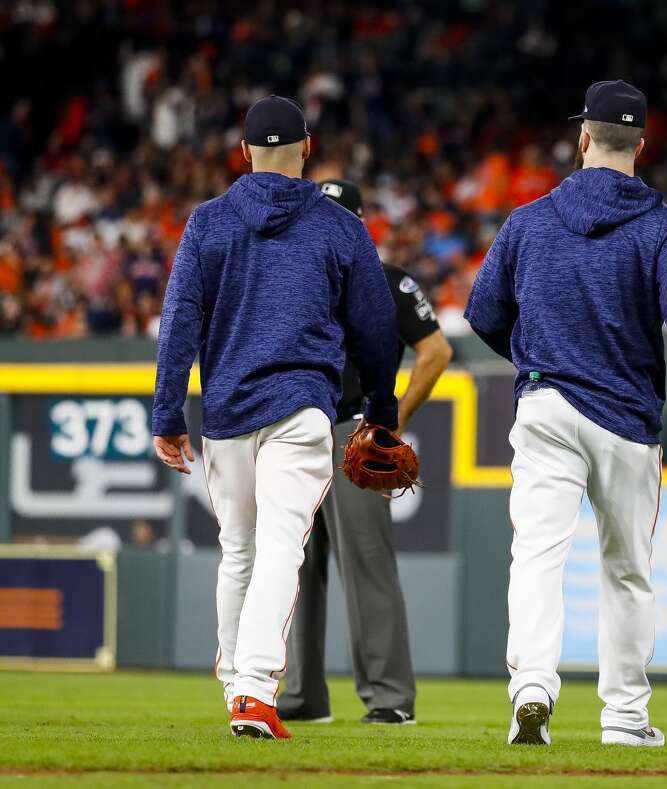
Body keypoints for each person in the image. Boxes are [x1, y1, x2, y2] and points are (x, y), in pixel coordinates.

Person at [465, 80, 667, 748]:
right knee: (627, 571)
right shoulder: (664, 224)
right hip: (626, 418)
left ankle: (532, 690)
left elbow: (483, 312)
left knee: (537, 557)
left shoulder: (530, 219)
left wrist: (533, 353)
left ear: (584, 137)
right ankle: (626, 718)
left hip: (547, 403)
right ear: (640, 143)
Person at [151, 96, 400, 740]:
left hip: (228, 410)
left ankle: (242, 684)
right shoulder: (337, 224)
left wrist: (167, 412)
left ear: (243, 153)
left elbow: (179, 323)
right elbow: (377, 326)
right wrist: (381, 407)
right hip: (301, 406)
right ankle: (253, 692)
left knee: (239, 551)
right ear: (307, 148)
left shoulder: (209, 221)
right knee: (278, 549)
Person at [278, 179, 453, 726]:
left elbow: (436, 351)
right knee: (293, 569)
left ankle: (389, 698)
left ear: (356, 223)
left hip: (352, 430)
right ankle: (302, 696)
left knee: (367, 567)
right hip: (297, 428)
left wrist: (390, 421)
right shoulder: (296, 282)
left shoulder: (387, 282)